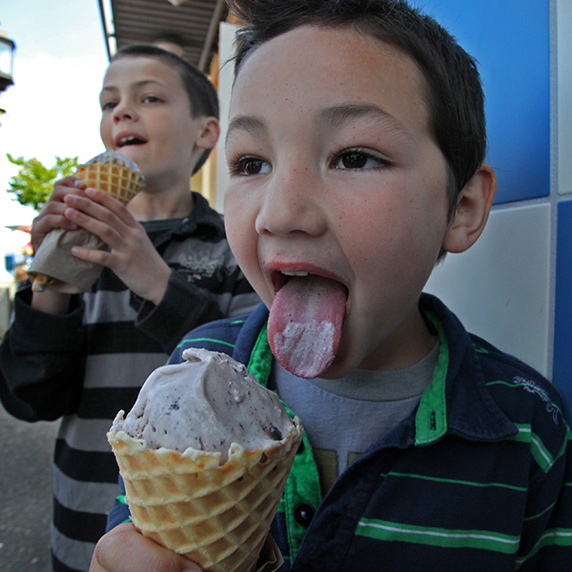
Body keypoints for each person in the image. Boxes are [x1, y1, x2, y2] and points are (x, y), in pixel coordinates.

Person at [91, 1, 572, 570]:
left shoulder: (527, 429)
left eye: (353, 156)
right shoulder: (193, 374)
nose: (280, 212)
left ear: (461, 207)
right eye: (250, 163)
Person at [0, 44, 259, 572]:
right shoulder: (81, 251)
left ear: (205, 132)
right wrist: (53, 277)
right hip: (79, 522)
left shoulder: (234, 248)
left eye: (149, 97)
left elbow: (250, 382)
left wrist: (156, 280)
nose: (121, 111)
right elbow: (29, 398)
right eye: (108, 101)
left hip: (196, 535)